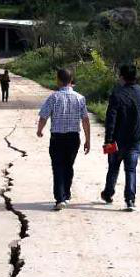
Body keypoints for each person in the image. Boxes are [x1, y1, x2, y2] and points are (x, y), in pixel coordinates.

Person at [36, 66, 90, 211]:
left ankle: (60, 198)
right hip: (73, 138)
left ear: (58, 80)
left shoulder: (53, 97)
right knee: (68, 166)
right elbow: (85, 120)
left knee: (57, 167)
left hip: (57, 138)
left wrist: (39, 130)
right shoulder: (80, 98)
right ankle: (65, 194)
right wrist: (87, 140)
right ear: (71, 80)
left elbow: (43, 116)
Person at [101, 64, 140, 212]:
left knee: (113, 168)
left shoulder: (117, 94)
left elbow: (111, 118)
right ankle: (130, 200)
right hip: (135, 137)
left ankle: (108, 194)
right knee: (131, 170)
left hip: (117, 139)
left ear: (122, 77)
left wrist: (108, 139)